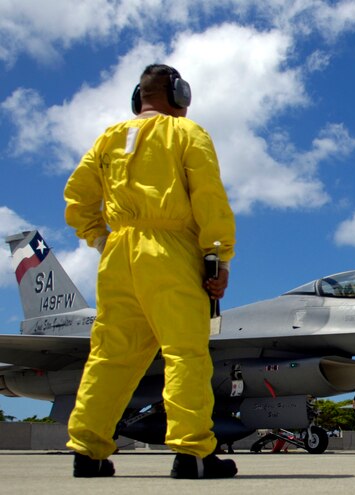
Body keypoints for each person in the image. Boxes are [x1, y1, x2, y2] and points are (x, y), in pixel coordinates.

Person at [63, 64, 237, 479]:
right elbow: (209, 198)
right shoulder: (186, 134)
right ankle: (193, 454)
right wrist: (217, 258)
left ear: (136, 97)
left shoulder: (106, 140)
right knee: (185, 354)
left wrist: (101, 239)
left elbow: (76, 196)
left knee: (110, 355)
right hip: (170, 250)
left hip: (118, 254)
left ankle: (88, 452)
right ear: (179, 95)